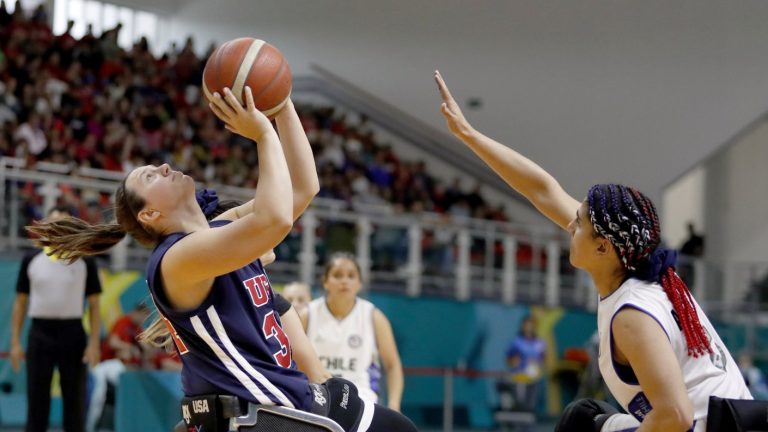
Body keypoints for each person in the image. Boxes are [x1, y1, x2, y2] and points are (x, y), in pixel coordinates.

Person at [29, 87, 417, 432]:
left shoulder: (217, 230)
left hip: (291, 400)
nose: (164, 166)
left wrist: (282, 105)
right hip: (262, 413)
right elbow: (276, 218)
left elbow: (302, 189)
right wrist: (264, 133)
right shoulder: (175, 259)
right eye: (151, 178)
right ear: (149, 215)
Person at [434, 71, 751, 432]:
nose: (570, 224)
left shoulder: (634, 316)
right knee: (585, 417)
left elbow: (675, 417)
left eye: (580, 221)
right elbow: (542, 190)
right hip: (730, 422)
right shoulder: (649, 274)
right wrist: (469, 136)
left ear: (603, 246)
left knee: (580, 424)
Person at [11, 206, 102, 432]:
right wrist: (14, 343)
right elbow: (20, 303)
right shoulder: (30, 259)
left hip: (73, 334)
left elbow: (94, 305)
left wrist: (94, 344)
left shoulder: (85, 261)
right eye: (53, 222)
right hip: (40, 334)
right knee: (37, 400)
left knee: (75, 401)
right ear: (45, 226)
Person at [300, 252, 405, 412]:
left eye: (351, 276)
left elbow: (392, 365)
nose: (344, 281)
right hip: (317, 394)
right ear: (325, 282)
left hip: (362, 395)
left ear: (359, 283)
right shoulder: (307, 314)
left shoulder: (373, 316)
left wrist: (394, 405)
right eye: (337, 275)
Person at [85, 303, 151, 432]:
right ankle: (88, 427)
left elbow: (147, 351)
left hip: (122, 369)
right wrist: (131, 348)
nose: (144, 320)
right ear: (137, 312)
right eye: (144, 316)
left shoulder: (137, 329)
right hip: (105, 366)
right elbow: (113, 342)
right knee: (98, 399)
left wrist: (143, 348)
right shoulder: (124, 322)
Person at [502, 316, 546, 413]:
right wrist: (513, 362)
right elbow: (509, 359)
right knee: (519, 404)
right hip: (519, 378)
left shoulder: (540, 343)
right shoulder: (516, 342)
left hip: (534, 378)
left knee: (531, 406)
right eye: (526, 325)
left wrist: (537, 365)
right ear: (522, 326)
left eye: (531, 325)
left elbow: (542, 359)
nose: (528, 327)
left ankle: (527, 425)